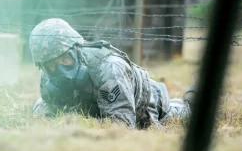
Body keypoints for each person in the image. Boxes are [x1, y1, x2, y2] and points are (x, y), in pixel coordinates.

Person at [29, 18, 196, 129]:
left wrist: (76, 122)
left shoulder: (109, 68)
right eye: (50, 65)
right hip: (96, 106)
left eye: (64, 60)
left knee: (186, 112)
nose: (59, 71)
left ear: (77, 50)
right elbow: (46, 109)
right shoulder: (48, 78)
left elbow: (123, 124)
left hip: (147, 105)